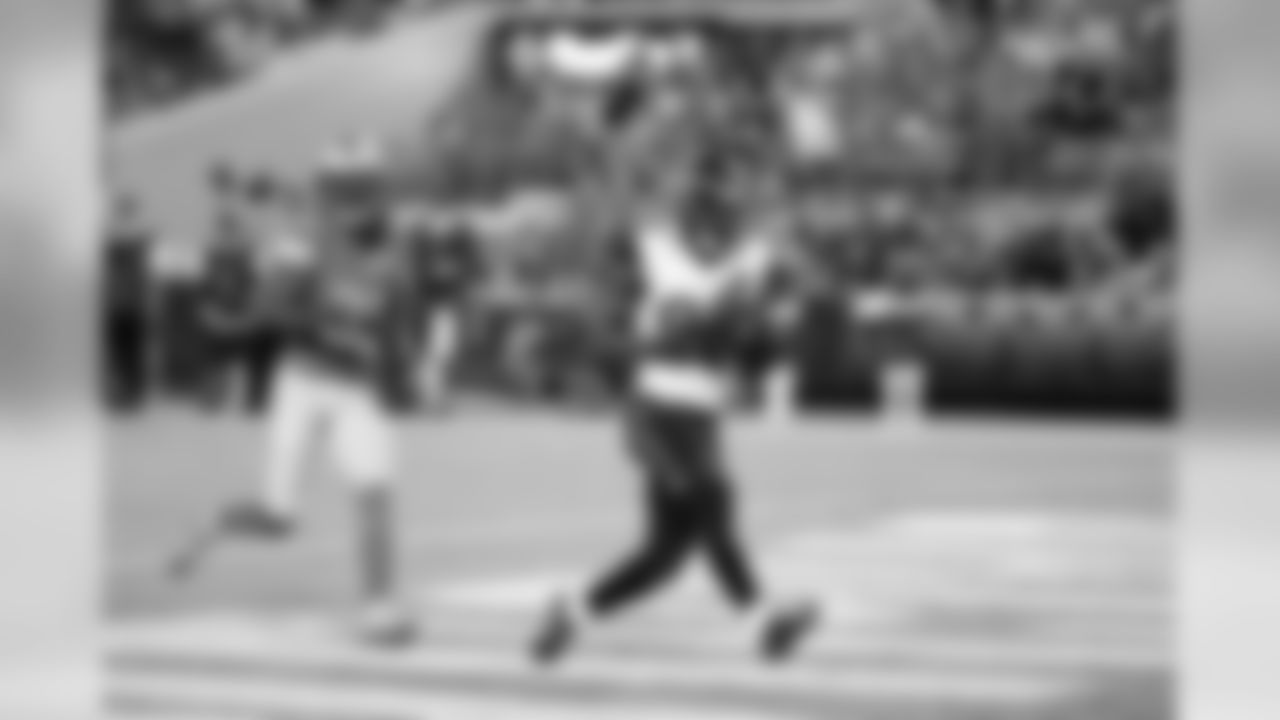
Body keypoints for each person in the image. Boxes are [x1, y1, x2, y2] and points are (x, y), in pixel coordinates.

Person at [530, 177, 821, 665]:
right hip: (659, 410)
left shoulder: (743, 265)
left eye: (719, 230)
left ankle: (572, 613)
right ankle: (764, 622)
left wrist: (773, 317)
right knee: (715, 511)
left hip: (699, 415)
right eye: (701, 228)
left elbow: (775, 295)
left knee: (664, 556)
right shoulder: (663, 255)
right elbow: (627, 214)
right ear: (686, 227)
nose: (710, 239)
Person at [168, 140, 421, 646]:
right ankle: (214, 525)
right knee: (278, 522)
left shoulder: (394, 254)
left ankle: (379, 612)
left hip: (357, 392)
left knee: (375, 497)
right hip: (302, 386)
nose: (358, 202)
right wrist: (238, 322)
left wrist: (401, 373)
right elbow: (271, 305)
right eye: (346, 190)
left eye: (366, 189)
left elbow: (395, 327)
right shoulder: (311, 237)